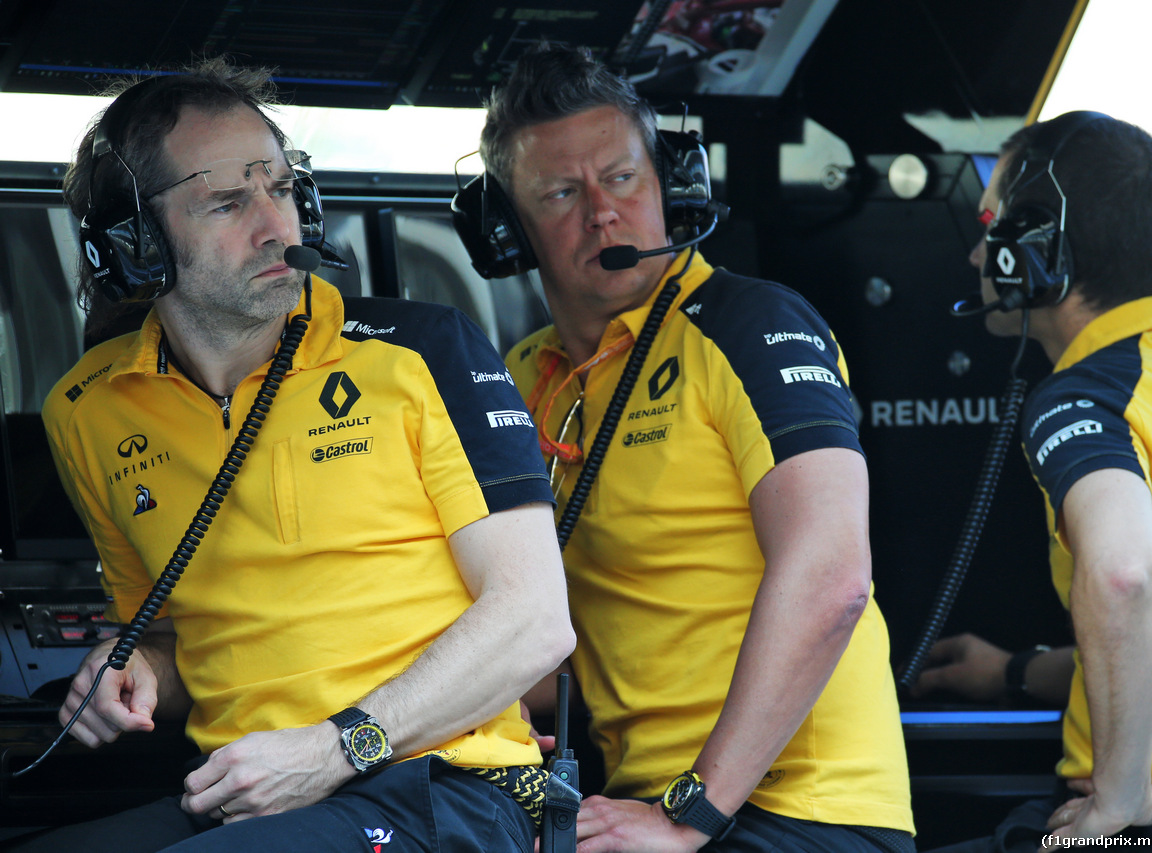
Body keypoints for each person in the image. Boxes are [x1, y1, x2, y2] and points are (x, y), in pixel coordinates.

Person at [22, 57, 575, 853]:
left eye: (281, 189)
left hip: (444, 787)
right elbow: (175, 641)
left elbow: (535, 620)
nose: (276, 225)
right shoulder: (88, 410)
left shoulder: (420, 353)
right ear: (135, 241)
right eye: (227, 200)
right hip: (248, 795)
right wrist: (132, 664)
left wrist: (332, 747)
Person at [468, 44, 915, 853]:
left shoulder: (748, 325)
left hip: (799, 814)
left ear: (673, 185)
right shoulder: (520, 377)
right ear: (505, 229)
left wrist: (688, 815)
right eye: (562, 192)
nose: (602, 212)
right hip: (640, 809)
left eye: (623, 177)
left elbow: (834, 577)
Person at [932, 110, 1152, 847]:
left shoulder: (1086, 395)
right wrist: (1013, 674)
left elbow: (1123, 576)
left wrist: (1116, 801)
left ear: (1036, 245)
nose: (974, 254)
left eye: (991, 223)